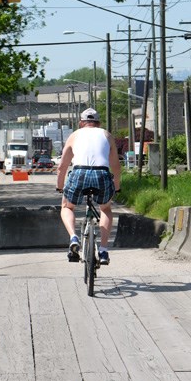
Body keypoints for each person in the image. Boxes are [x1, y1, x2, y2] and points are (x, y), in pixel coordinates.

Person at [56, 107, 121, 265]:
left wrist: (59, 187)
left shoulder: (74, 135)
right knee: (105, 208)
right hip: (102, 175)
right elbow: (116, 166)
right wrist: (117, 186)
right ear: (98, 123)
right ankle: (104, 250)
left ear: (81, 123)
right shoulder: (107, 135)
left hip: (79, 174)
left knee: (67, 206)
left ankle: (73, 237)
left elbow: (62, 167)